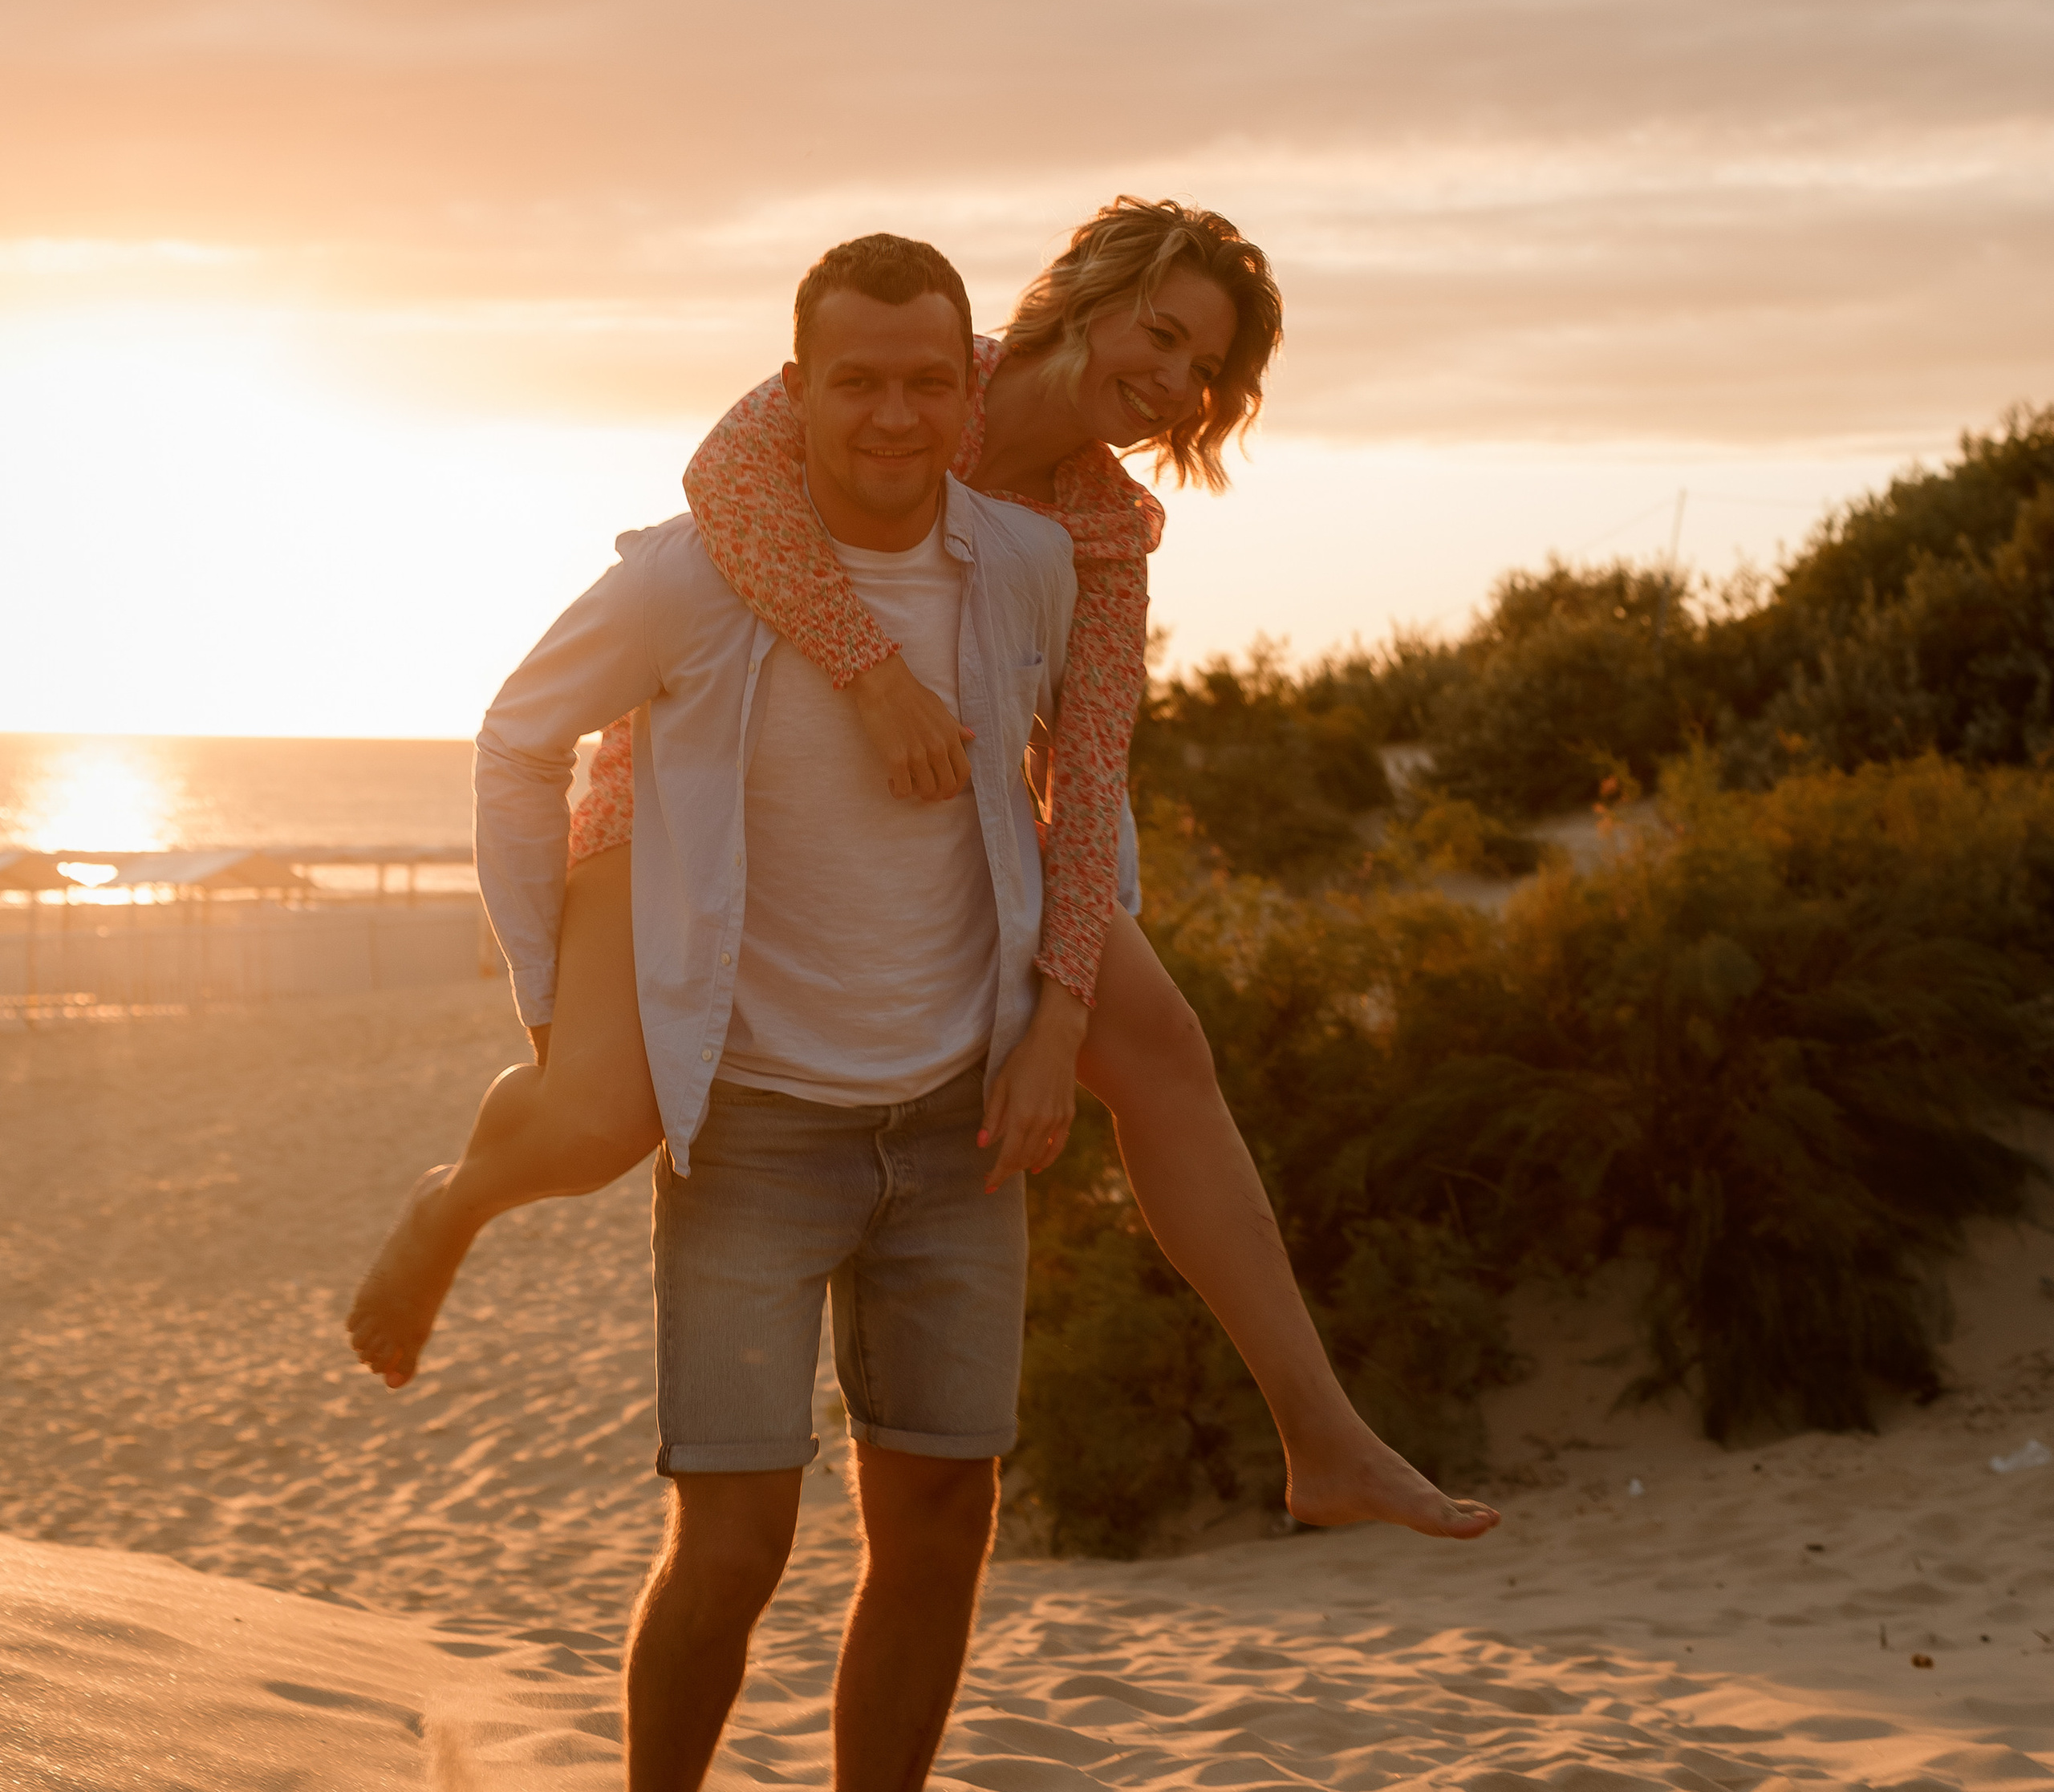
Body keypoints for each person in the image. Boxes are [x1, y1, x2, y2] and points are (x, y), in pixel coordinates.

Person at [351, 198, 1499, 1545]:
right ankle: (459, 1195)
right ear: (1095, 294)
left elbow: (1088, 778)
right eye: (1166, 331)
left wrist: (1064, 1008)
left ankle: (1324, 1435)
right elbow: (724, 485)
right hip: (697, 800)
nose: (1176, 378)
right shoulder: (911, 368)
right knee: (599, 1123)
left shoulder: (1107, 535)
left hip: (936, 823)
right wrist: (871, 674)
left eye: (1206, 368)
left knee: (1162, 1045)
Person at [473, 235, 1076, 1792]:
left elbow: (1074, 797)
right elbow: (516, 736)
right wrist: (552, 1000)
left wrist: (1055, 1019)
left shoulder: (1024, 568)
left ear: (968, 391)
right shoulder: (692, 578)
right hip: (748, 1127)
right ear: (793, 390)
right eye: (854, 379)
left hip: (958, 1126)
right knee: (730, 1544)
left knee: (942, 1525)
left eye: (923, 379)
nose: (891, 412)